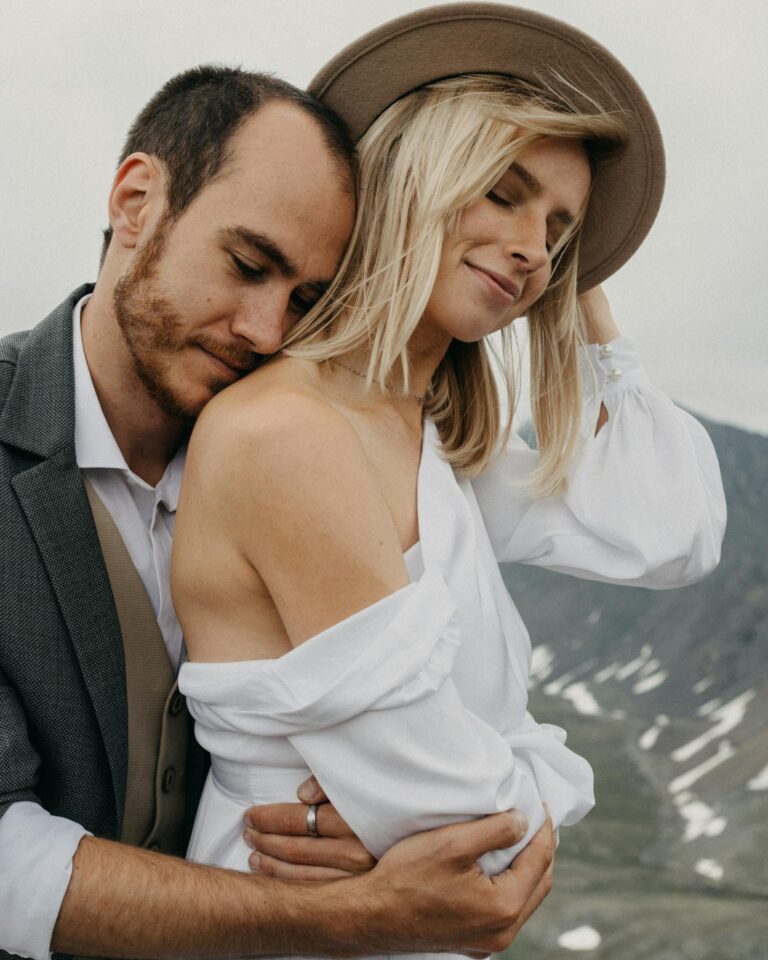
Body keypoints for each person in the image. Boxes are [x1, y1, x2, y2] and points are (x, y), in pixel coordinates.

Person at [172, 1, 726, 946]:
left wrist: (580, 279)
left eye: (559, 228)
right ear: (413, 177)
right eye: (502, 191)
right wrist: (538, 782)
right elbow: (463, 828)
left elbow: (675, 532)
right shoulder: (287, 434)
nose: (533, 248)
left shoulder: (433, 446)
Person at [0, 64, 555, 960]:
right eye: (248, 265)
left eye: (305, 300)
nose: (265, 331)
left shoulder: (304, 451)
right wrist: (361, 911)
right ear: (137, 201)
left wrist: (370, 821)